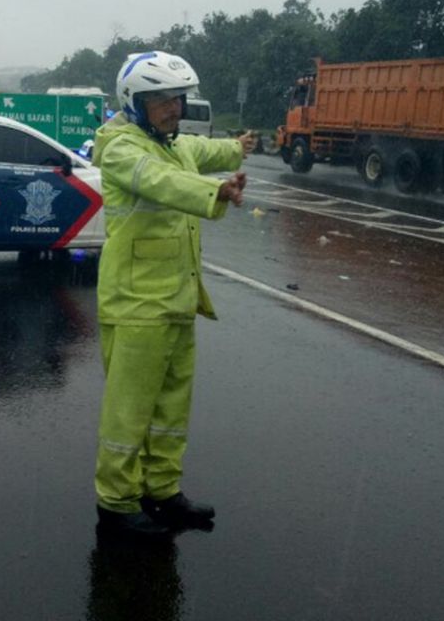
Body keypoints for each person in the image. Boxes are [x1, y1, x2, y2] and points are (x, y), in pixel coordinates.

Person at [92, 51, 258, 536]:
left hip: (177, 302)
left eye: (178, 98)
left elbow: (201, 154)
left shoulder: (172, 143)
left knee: (170, 407)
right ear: (135, 101)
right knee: (130, 411)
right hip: (136, 305)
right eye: (161, 99)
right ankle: (117, 502)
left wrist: (238, 147)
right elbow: (159, 181)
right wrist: (216, 193)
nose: (174, 107)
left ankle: (162, 488)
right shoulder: (121, 148)